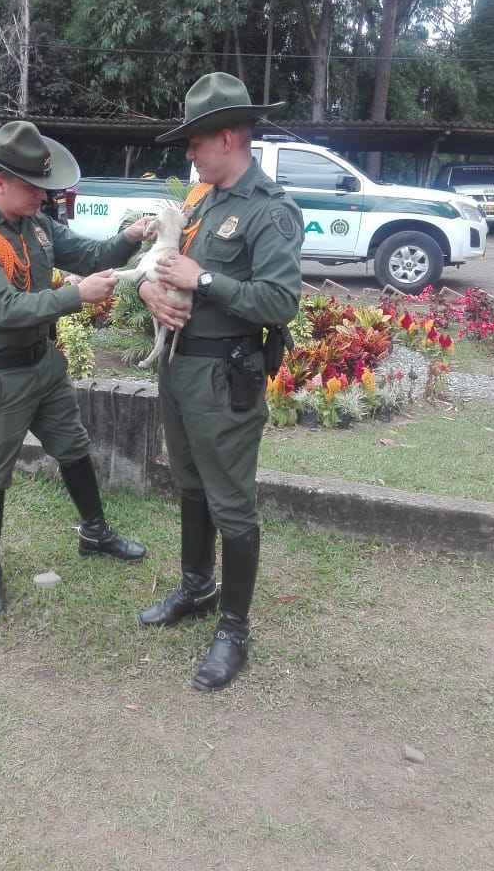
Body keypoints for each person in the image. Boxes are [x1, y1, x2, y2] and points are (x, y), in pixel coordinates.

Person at [137, 72, 304, 691]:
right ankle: (196, 586)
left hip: (226, 376)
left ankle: (233, 628)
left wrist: (204, 279)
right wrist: (152, 288)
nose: (189, 154)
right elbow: (162, 265)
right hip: (180, 367)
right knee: (190, 483)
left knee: (231, 500)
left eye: (195, 142)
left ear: (227, 138)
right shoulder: (201, 202)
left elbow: (280, 301)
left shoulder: (270, 210)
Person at [0, 120, 151, 620]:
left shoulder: (37, 224)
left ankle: (95, 532)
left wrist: (129, 236)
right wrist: (76, 296)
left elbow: (90, 255)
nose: (43, 195)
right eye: (33, 187)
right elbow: (6, 308)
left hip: (43, 365)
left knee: (74, 447)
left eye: (44, 186)